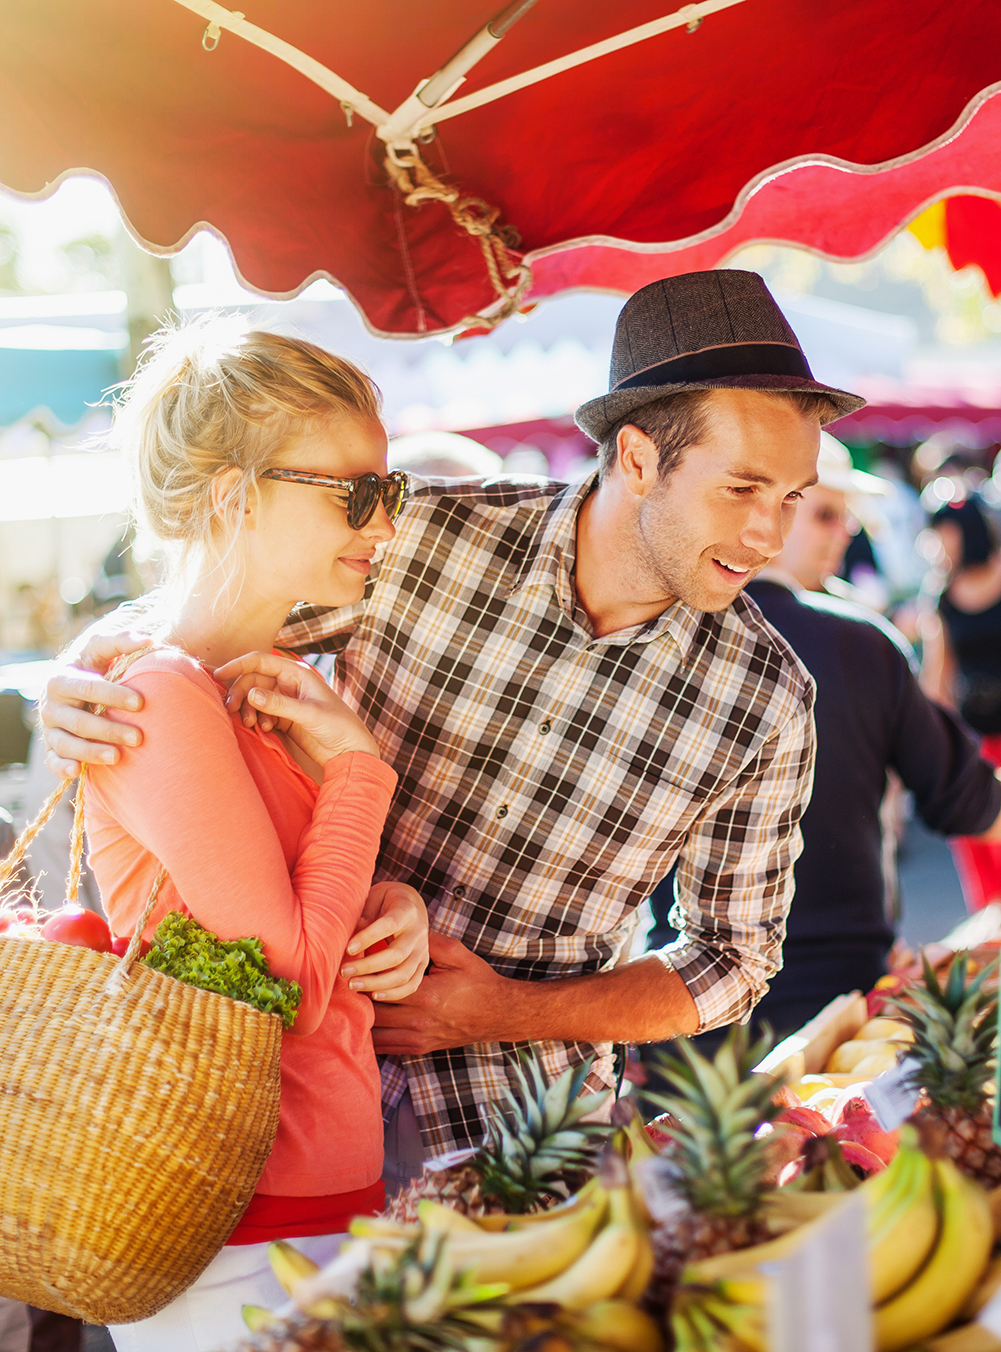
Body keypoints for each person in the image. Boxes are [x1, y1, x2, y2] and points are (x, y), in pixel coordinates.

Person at [42, 270, 861, 1177]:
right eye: (742, 489)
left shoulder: (767, 698)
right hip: (285, 1102)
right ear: (636, 459)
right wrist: (86, 667)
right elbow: (213, 613)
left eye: (790, 496)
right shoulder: (418, 538)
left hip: (521, 1137)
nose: (769, 537)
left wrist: (504, 1010)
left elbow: (732, 962)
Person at [63, 323, 429, 1352]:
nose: (381, 526)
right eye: (352, 493)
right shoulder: (159, 697)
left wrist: (391, 908)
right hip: (240, 1226)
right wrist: (358, 774)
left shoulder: (268, 690)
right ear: (231, 494)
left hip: (312, 1202)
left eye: (387, 491)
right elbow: (292, 979)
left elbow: (301, 923)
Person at [735, 437, 1001, 1033]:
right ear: (774, 509)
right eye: (826, 513)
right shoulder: (858, 642)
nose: (845, 532)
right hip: (835, 998)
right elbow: (972, 799)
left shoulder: (666, 632)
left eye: (850, 517)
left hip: (677, 1005)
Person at [923, 495, 1001, 909]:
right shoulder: (942, 595)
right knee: (978, 849)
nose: (938, 541)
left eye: (945, 531)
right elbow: (938, 677)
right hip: (976, 742)